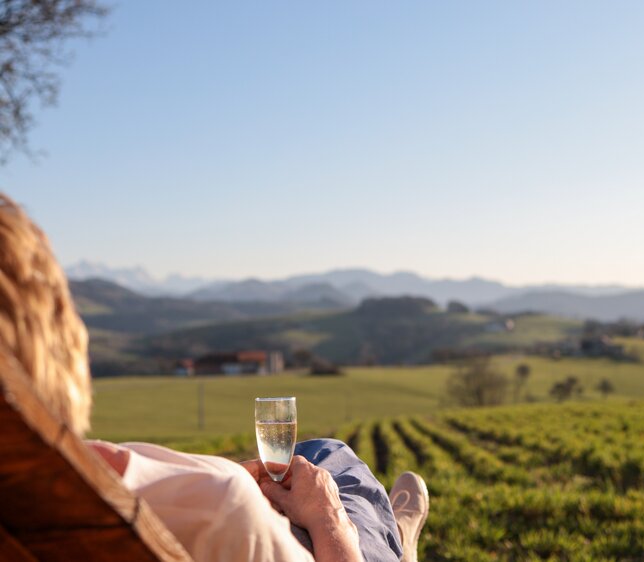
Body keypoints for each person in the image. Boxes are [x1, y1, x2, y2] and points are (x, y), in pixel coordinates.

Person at [0, 193, 429, 562]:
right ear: (59, 341)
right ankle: (392, 539)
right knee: (337, 472)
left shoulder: (46, 495)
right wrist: (329, 522)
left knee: (309, 459)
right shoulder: (220, 507)